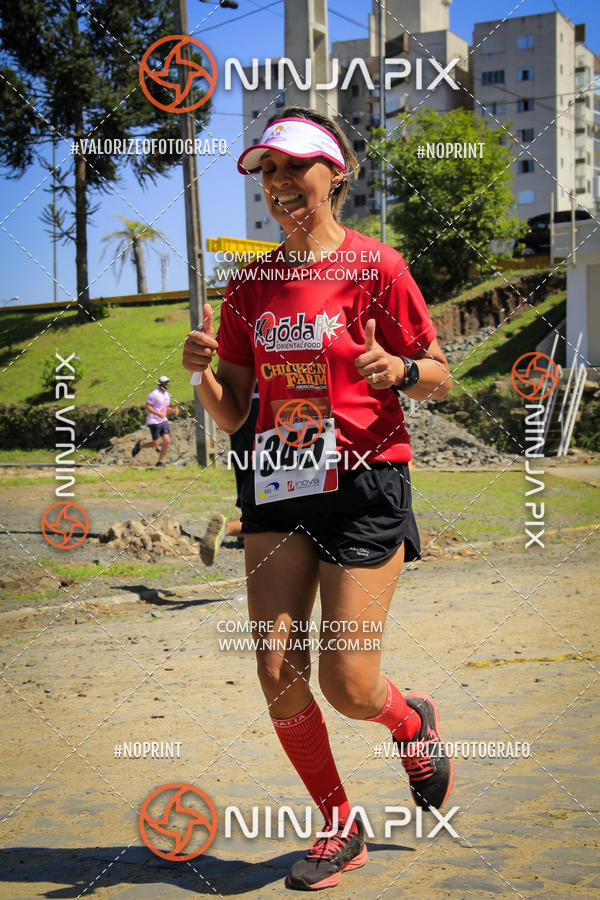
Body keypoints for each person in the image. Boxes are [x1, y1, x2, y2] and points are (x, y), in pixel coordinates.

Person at [182, 107, 454, 891]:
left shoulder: (380, 266)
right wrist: (203, 370)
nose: (277, 184)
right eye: (266, 171)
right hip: (278, 479)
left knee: (347, 685)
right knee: (275, 665)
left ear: (336, 174)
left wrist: (397, 371)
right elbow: (235, 409)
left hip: (367, 483)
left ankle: (409, 721)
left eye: (292, 167)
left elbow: (438, 372)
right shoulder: (251, 286)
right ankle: (339, 823)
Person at [200, 386, 260, 566]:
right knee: (272, 517)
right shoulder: (272, 383)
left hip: (242, 450)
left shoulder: (241, 385)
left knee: (252, 504)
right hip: (269, 452)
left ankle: (240, 533)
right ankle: (228, 528)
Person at [132, 375, 178, 467]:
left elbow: (164, 409)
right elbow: (147, 406)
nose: (167, 384)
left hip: (163, 421)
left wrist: (173, 410)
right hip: (154, 422)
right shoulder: (154, 394)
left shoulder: (167, 395)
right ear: (160, 384)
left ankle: (160, 461)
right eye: (165, 383)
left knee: (167, 441)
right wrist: (157, 414)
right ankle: (140, 446)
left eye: (168, 382)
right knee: (155, 443)